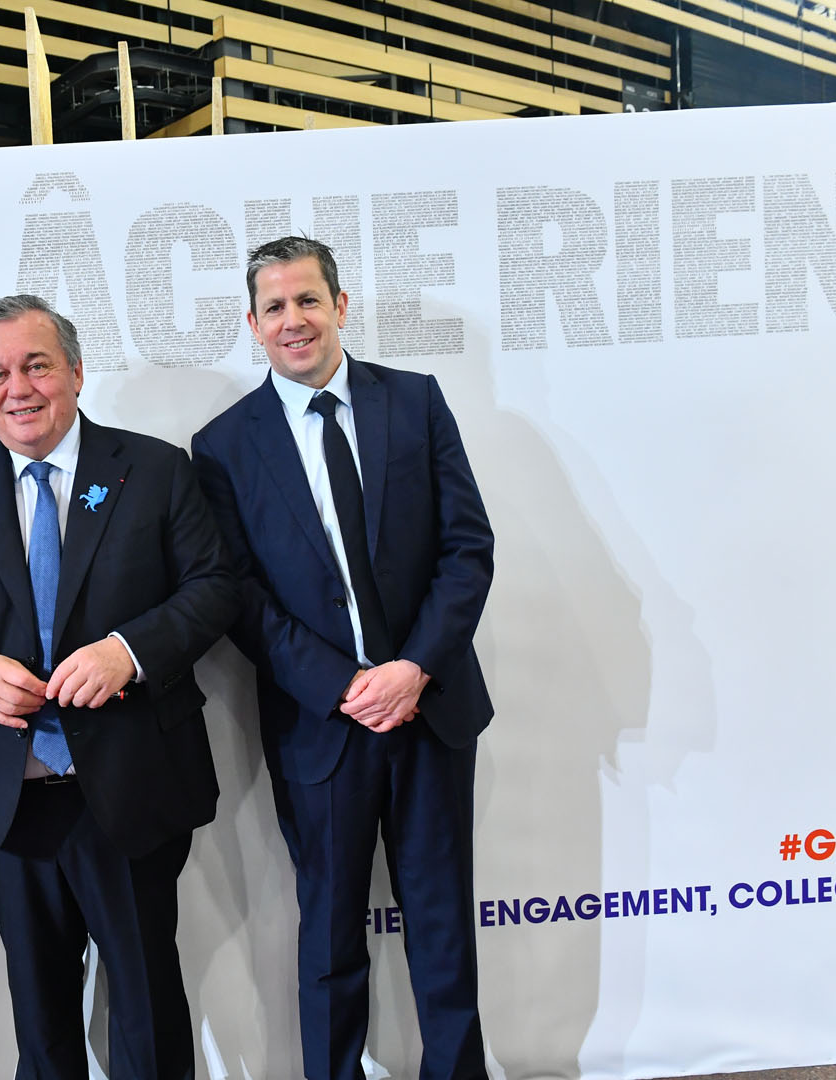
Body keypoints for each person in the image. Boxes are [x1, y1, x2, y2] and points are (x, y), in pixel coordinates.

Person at [0, 294, 237, 1079]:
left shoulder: (155, 469)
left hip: (131, 783)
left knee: (146, 1010)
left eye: (36, 366)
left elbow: (214, 587)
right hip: (13, 795)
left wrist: (128, 651)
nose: (17, 388)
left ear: (77, 372)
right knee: (41, 1023)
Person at [191, 237, 495, 1080]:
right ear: (253, 323)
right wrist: (345, 685)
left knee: (442, 923)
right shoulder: (222, 445)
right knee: (328, 935)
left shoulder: (416, 402)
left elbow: (467, 549)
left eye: (308, 300)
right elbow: (239, 595)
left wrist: (414, 668)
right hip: (321, 724)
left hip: (429, 709)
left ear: (340, 306)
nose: (294, 320)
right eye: (275, 307)